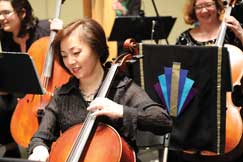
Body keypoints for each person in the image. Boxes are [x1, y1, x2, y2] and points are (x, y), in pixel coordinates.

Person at [27, 18, 173, 162]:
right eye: (64, 56)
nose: (70, 61)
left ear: (97, 49)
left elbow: (163, 121)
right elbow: (40, 137)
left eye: (76, 53)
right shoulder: (63, 94)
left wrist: (121, 111)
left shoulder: (123, 89)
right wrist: (39, 149)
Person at [173, 0, 243, 162]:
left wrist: (240, 32)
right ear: (193, 11)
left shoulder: (232, 32)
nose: (204, 10)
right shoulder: (184, 38)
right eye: (199, 6)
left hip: (230, 108)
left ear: (219, 7)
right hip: (195, 110)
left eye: (209, 5)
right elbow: (177, 77)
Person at [0, 0, 62, 158]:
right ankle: (10, 150)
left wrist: (62, 33)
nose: (1, 17)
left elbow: (64, 56)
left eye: (6, 12)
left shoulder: (45, 29)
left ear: (22, 13)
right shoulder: (5, 36)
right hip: (25, 94)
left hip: (49, 90)